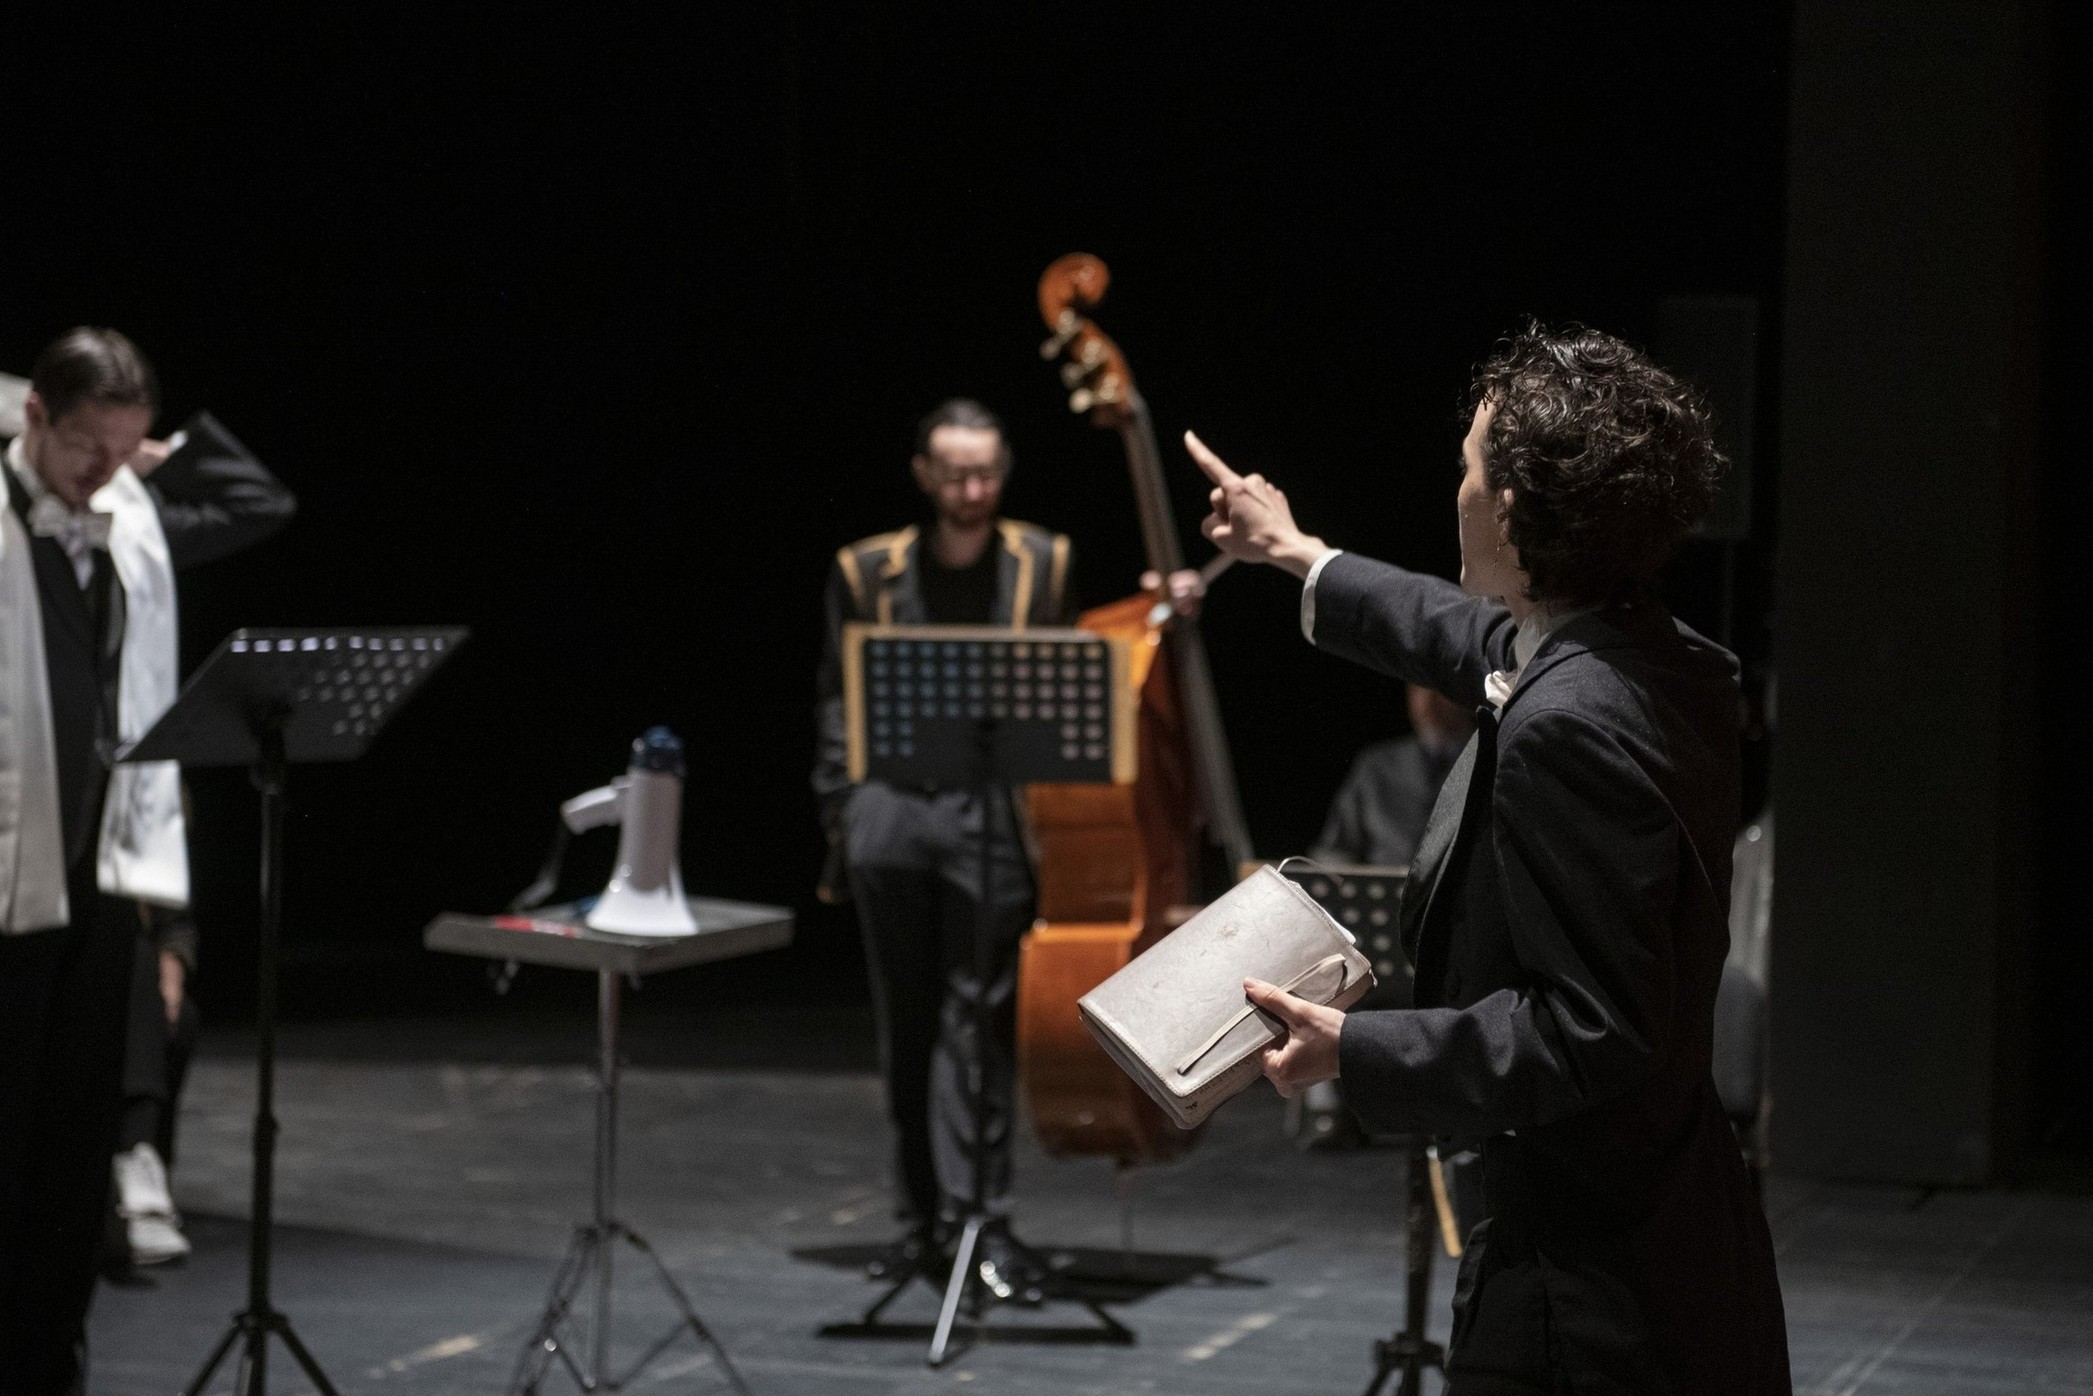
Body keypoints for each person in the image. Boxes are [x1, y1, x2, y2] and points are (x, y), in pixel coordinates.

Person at [1192, 323, 1789, 1393]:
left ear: (1511, 508)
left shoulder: (1566, 727)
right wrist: (1292, 551)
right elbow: (1469, 640)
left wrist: (1354, 1050)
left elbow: (1585, 1031)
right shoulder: (1667, 658)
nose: (1455, 487)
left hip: (1582, 1277)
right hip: (1667, 1218)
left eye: (1466, 467)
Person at [813, 397, 1197, 1304]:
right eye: (953, 474)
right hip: (893, 814)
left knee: (979, 1026)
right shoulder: (864, 568)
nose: (971, 490)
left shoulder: (1042, 558)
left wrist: (1156, 605)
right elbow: (836, 694)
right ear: (923, 474)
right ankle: (919, 1224)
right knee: (905, 1023)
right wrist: (845, 810)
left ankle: (982, 1217)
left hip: (992, 820)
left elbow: (1077, 663)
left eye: (984, 472)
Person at [0, 328, 294, 1392]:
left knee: (73, 1154)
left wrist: (156, 456)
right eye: (85, 443)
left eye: (125, 448)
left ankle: (45, 1358)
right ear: (31, 415)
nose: (103, 472)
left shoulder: (129, 517)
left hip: (98, 880)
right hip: (3, 885)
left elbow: (259, 501)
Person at [1311, 682, 1475, 869]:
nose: (1427, 702)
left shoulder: (1490, 763)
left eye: (1439, 690)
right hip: (1385, 892)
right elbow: (1334, 851)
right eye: (1418, 689)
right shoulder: (1376, 766)